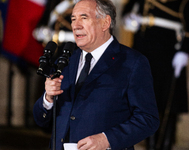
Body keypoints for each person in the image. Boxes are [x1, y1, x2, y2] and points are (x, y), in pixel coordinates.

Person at [33, 0, 159, 150]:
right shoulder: (65, 61)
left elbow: (148, 119)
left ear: (105, 23)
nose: (75, 25)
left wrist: (107, 139)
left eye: (84, 18)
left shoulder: (132, 62)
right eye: (73, 19)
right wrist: (48, 99)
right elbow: (41, 120)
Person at [122, 0, 189, 150]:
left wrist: (185, 50)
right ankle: (149, 145)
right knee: (143, 103)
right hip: (143, 51)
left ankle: (164, 145)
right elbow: (130, 8)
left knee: (168, 107)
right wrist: (128, 18)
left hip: (168, 54)